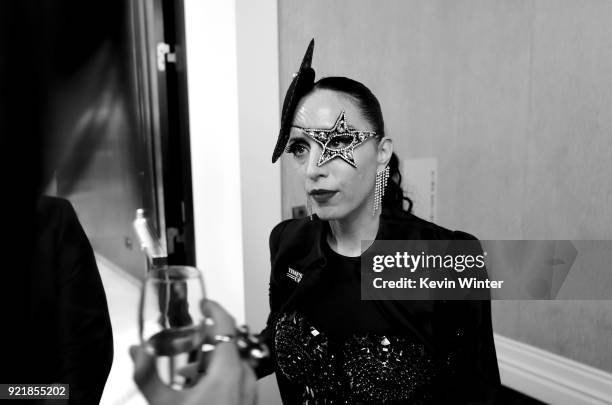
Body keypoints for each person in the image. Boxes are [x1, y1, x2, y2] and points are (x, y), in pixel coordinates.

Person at [254, 40, 501, 404]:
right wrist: (220, 358)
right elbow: (277, 338)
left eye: (337, 140)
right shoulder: (288, 244)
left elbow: (477, 392)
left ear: (382, 152)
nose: (312, 170)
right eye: (300, 148)